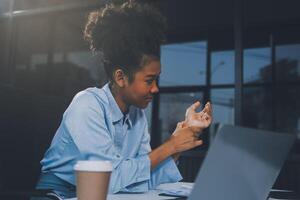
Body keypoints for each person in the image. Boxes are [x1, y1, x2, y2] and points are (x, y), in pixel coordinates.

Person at [34, 1, 212, 199]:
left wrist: (180, 142)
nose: (155, 88)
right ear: (121, 77)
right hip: (58, 195)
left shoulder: (137, 116)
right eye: (149, 80)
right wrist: (170, 144)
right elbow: (110, 179)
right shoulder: (87, 105)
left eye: (157, 79)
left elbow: (142, 179)